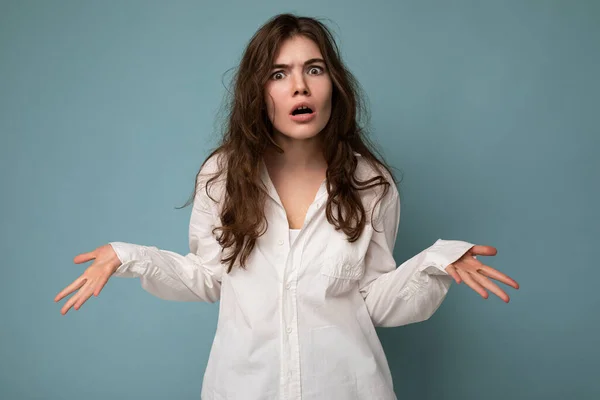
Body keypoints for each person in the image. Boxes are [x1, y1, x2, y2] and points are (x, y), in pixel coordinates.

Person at [54, 13, 519, 400]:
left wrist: (436, 263)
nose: (300, 86)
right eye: (279, 74)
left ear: (333, 85)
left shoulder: (371, 184)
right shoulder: (222, 176)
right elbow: (209, 276)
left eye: (314, 69)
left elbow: (374, 301)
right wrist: (128, 257)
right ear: (259, 92)